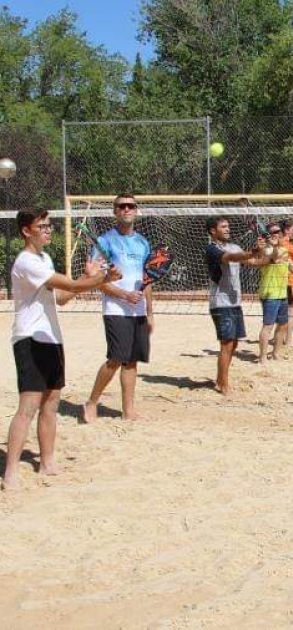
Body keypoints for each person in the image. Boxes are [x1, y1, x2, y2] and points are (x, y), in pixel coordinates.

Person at [4, 210, 119, 490]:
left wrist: (87, 276)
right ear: (26, 231)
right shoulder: (27, 262)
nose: (47, 230)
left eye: (48, 225)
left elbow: (64, 297)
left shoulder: (44, 259)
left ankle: (47, 463)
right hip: (30, 338)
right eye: (41, 226)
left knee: (51, 403)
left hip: (52, 338)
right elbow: (68, 285)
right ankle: (10, 473)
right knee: (27, 407)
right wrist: (102, 278)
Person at [83, 194, 154, 423]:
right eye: (121, 206)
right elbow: (98, 281)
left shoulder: (143, 243)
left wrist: (149, 312)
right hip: (116, 309)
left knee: (132, 361)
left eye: (130, 206)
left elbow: (147, 279)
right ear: (115, 211)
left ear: (136, 210)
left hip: (138, 310)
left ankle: (128, 410)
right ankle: (92, 402)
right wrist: (124, 294)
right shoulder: (105, 241)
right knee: (115, 359)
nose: (126, 209)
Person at [205, 217, 267, 394]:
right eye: (223, 227)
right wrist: (254, 251)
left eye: (228, 226)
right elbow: (230, 258)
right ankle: (223, 384)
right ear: (212, 231)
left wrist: (268, 254)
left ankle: (220, 379)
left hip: (235, 302)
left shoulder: (235, 246)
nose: (227, 229)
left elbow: (256, 262)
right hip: (220, 303)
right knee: (227, 343)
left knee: (234, 345)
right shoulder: (212, 249)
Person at [257, 222, 293, 363]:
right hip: (269, 294)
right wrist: (275, 245)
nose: (276, 234)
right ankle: (262, 358)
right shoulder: (266, 250)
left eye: (277, 232)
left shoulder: (285, 251)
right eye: (273, 232)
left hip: (282, 293)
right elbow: (274, 257)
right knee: (268, 326)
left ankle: (276, 354)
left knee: (283, 326)